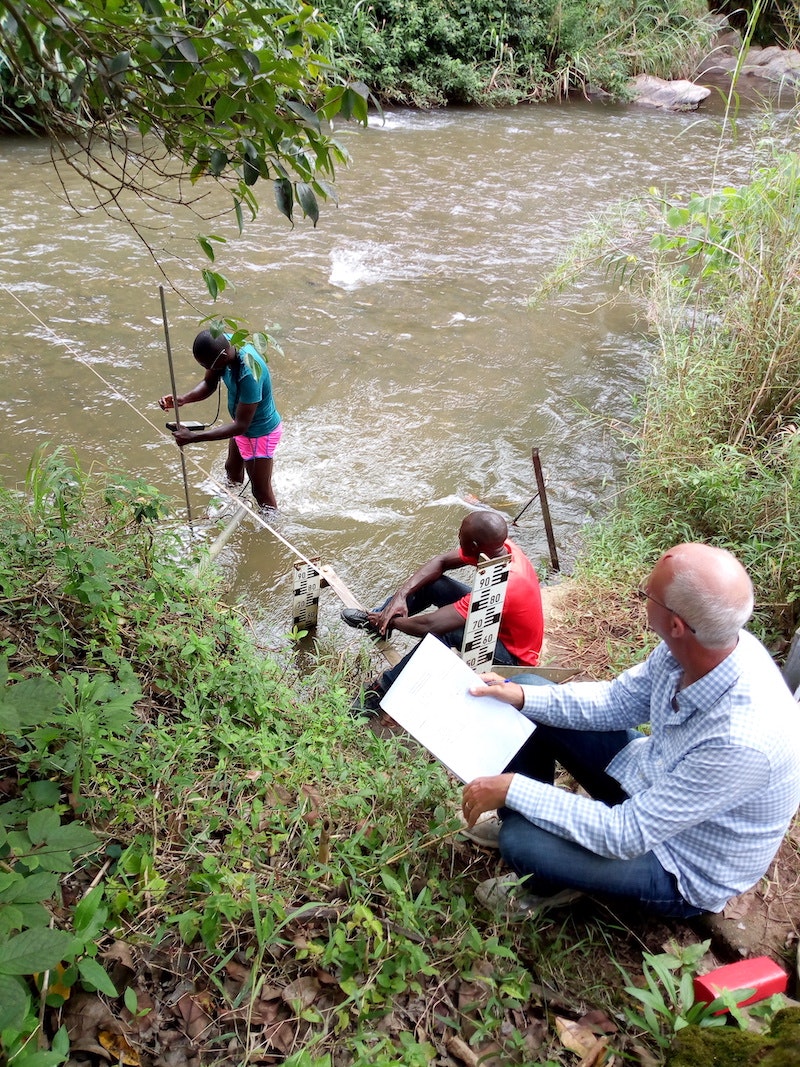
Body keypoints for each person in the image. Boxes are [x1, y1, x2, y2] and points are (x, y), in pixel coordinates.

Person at [461, 542, 800, 920]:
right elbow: (616, 702)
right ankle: (528, 816)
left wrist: (514, 788)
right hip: (652, 779)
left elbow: (625, 834)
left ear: (676, 623)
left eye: (647, 592)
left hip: (680, 861)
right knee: (528, 691)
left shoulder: (743, 741)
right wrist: (521, 696)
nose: (641, 593)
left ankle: (547, 884)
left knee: (522, 843)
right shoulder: (699, 645)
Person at [342, 511, 544, 713]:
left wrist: (394, 622)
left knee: (447, 631)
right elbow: (441, 562)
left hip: (512, 656)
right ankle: (379, 621)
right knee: (432, 584)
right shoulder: (498, 549)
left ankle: (380, 693)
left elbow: (429, 625)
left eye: (460, 534)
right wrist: (400, 596)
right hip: (494, 622)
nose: (457, 537)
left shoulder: (507, 584)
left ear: (474, 545)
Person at [159, 330, 282, 510]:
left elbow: (241, 426)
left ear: (224, 356)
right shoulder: (223, 345)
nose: (212, 370)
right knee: (231, 470)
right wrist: (183, 399)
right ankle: (230, 508)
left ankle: (272, 529)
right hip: (242, 425)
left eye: (212, 365)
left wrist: (193, 437)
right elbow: (209, 383)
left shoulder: (249, 373)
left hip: (259, 433)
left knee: (260, 492)